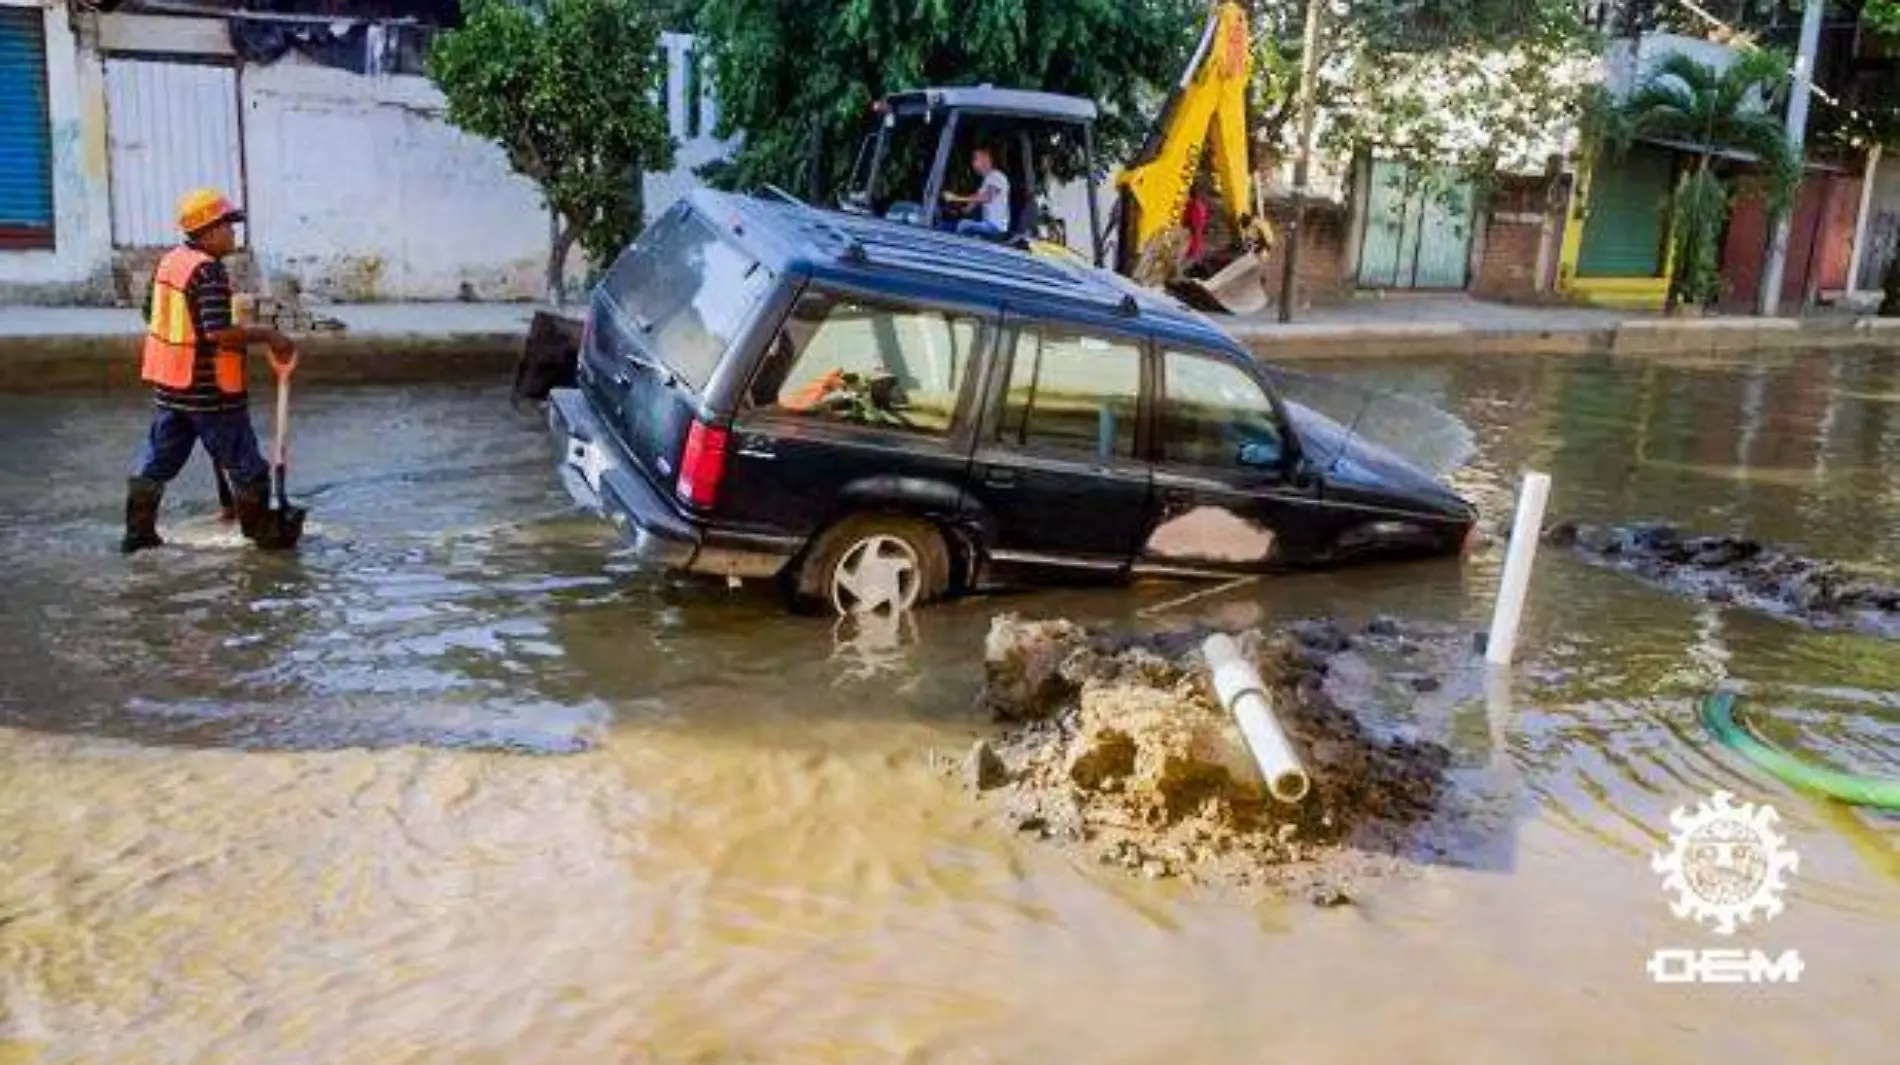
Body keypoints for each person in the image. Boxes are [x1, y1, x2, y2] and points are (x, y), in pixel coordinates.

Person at [122, 188, 297, 554]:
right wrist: (268, 335)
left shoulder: (170, 262)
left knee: (156, 462)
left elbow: (151, 313)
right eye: (228, 227)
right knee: (248, 467)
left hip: (171, 388)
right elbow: (217, 332)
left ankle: (138, 536)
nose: (233, 234)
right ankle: (263, 541)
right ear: (208, 231)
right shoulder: (209, 272)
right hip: (211, 392)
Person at [940, 147, 1012, 239]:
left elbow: (987, 197)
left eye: (976, 159)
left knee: (963, 225)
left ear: (987, 159)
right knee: (947, 226)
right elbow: (970, 207)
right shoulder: (986, 182)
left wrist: (956, 198)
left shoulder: (996, 176)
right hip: (988, 226)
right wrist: (955, 210)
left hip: (995, 228)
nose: (973, 163)